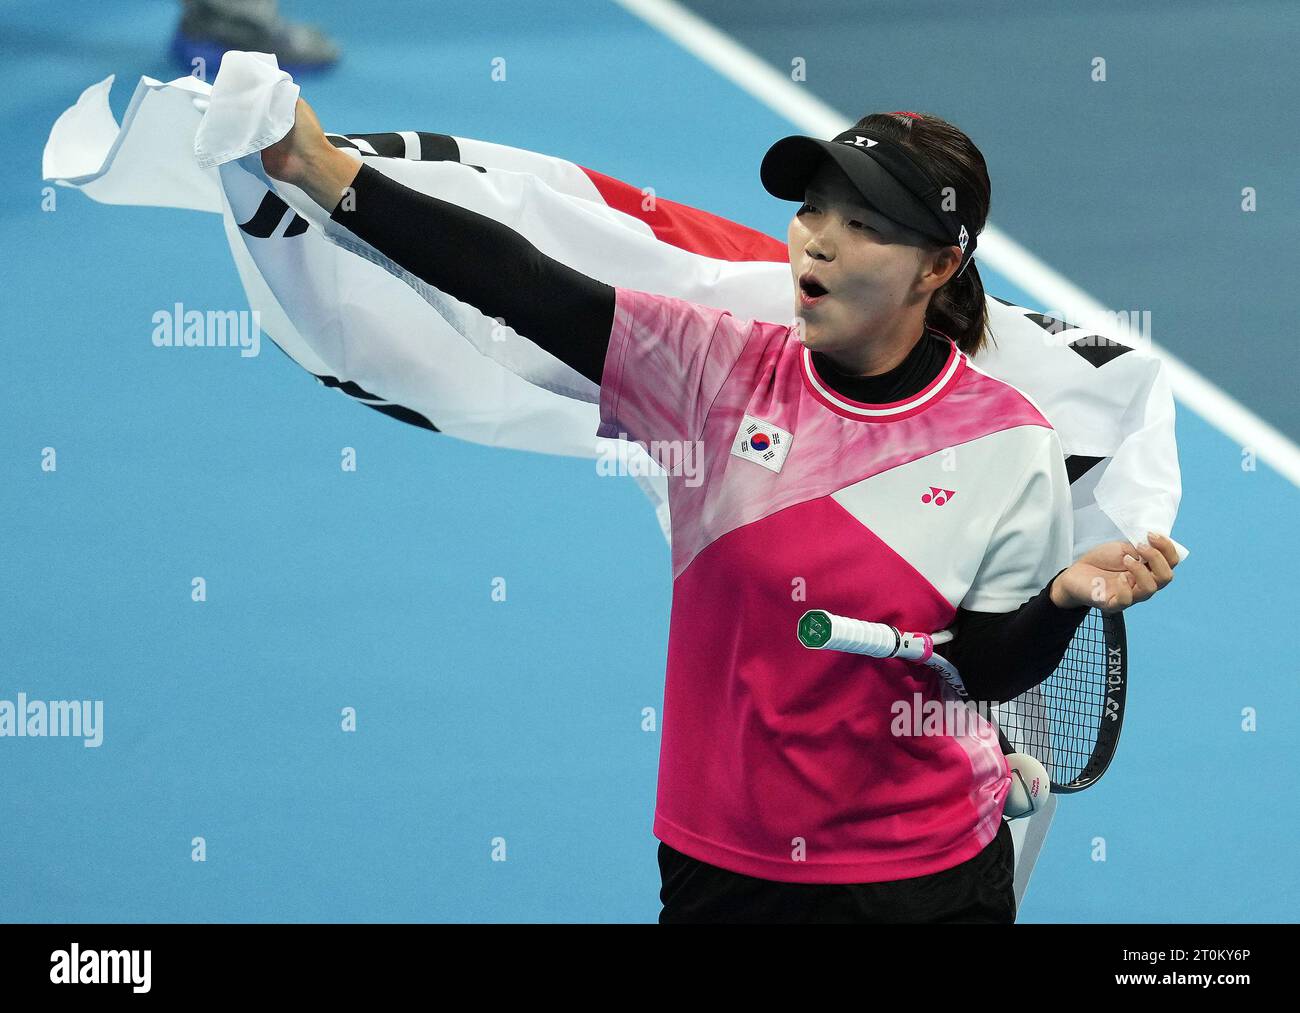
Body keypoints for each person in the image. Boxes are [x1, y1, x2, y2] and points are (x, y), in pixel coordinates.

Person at [272, 100, 1180, 922]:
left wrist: (1061, 599)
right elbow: (521, 284)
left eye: (860, 225)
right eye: (811, 211)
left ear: (937, 265)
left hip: (925, 879)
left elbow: (980, 669)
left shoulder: (1006, 440)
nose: (816, 242)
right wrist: (326, 175)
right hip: (723, 867)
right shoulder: (712, 374)